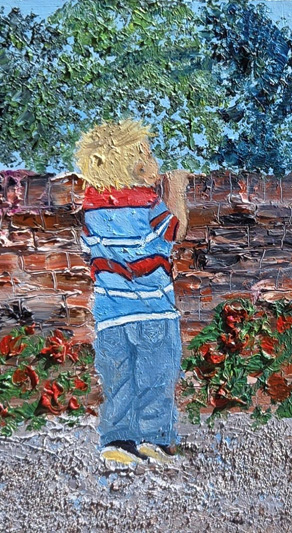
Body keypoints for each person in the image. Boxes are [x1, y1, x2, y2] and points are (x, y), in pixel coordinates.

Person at [75, 119, 189, 464]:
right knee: (156, 375)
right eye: (149, 155)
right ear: (136, 163)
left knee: (118, 379)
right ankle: (155, 438)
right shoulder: (147, 203)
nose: (155, 162)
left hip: (110, 314)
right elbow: (173, 233)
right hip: (153, 309)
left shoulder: (91, 207)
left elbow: (89, 248)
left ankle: (117, 440)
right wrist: (177, 189)